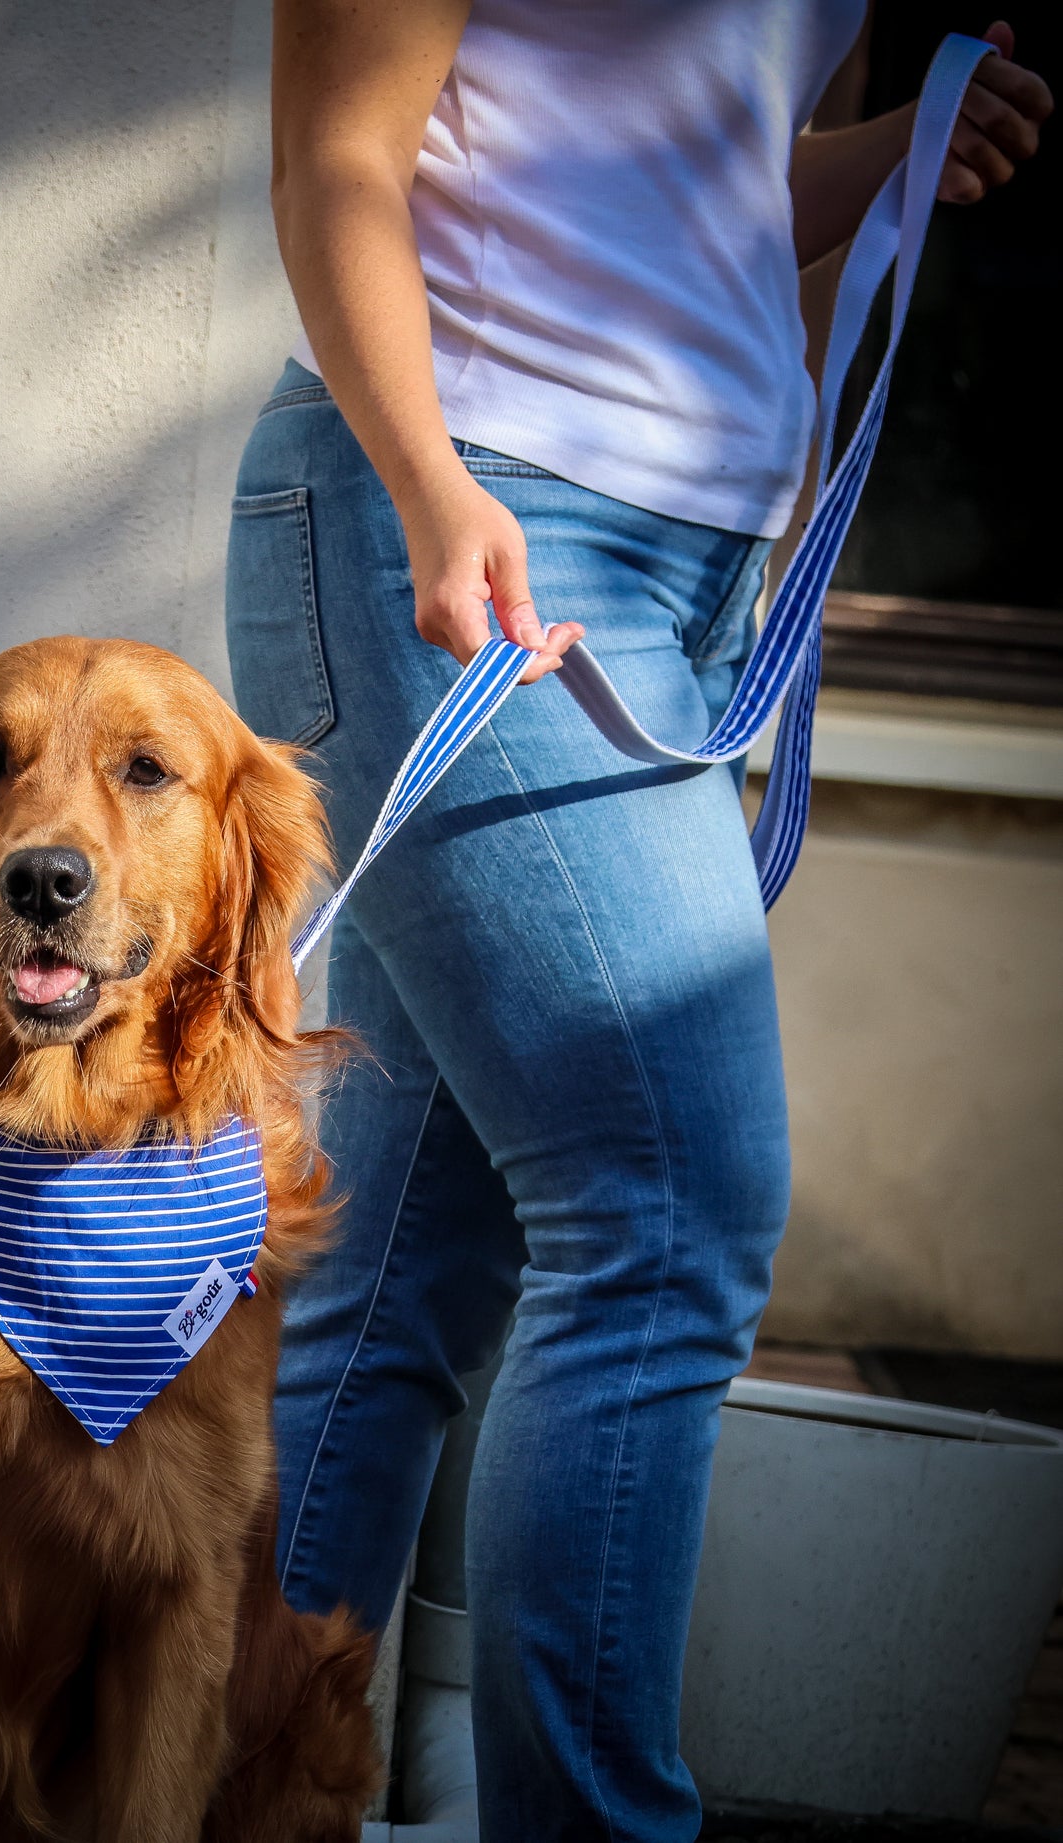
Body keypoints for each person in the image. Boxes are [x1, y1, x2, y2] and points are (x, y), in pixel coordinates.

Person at [223, 7, 1052, 1839]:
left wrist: (903, 141)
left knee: (400, 1278)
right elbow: (336, 156)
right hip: (468, 517)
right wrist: (435, 488)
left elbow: (703, 187)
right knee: (665, 1210)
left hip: (677, 566)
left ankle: (218, 1805)